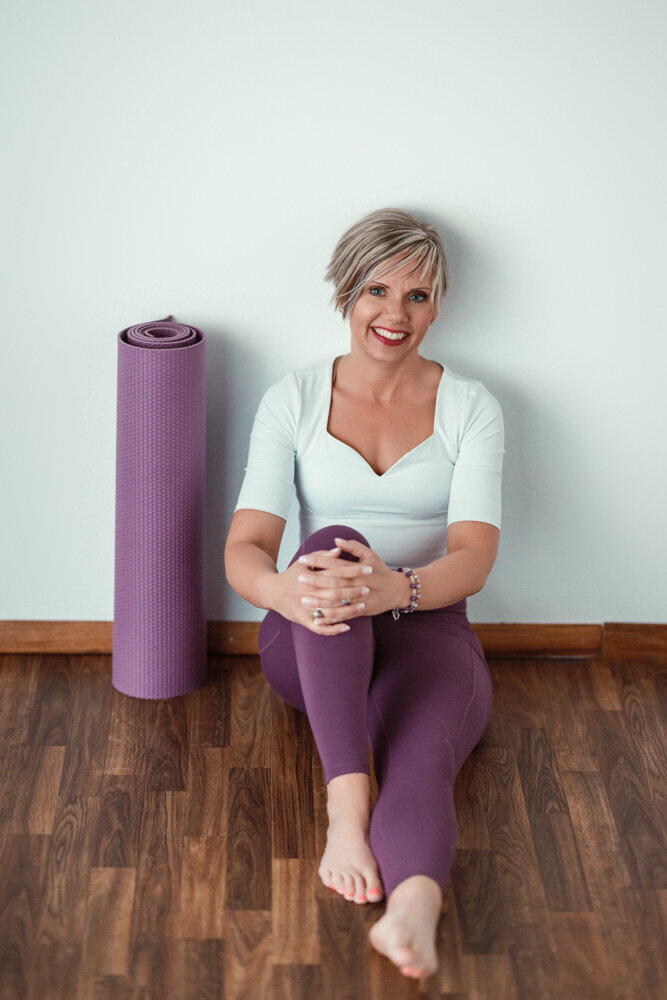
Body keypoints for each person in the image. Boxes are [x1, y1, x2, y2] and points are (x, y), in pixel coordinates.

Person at [224, 208, 504, 980]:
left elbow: (474, 557)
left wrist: (399, 589)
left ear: (438, 304)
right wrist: (284, 591)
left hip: (429, 629)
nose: (395, 314)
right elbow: (243, 549)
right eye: (377, 290)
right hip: (314, 635)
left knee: (423, 760)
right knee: (325, 546)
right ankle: (344, 810)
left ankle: (412, 911)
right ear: (346, 293)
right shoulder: (295, 398)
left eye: (418, 296)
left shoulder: (470, 407)